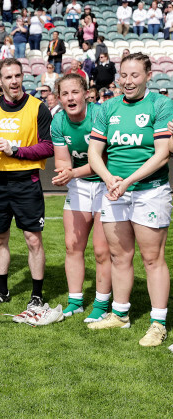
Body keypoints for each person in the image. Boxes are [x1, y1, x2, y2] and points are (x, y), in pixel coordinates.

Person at [87, 53, 173, 347]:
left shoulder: (161, 104)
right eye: (123, 75)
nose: (127, 81)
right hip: (114, 191)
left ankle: (158, 323)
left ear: (149, 75)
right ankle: (120, 314)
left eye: (134, 75)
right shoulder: (106, 107)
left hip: (149, 191)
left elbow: (162, 153)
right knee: (118, 256)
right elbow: (94, 154)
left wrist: (128, 181)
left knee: (152, 258)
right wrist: (110, 179)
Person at [0, 58, 54, 313]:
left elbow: (48, 146)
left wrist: (16, 150)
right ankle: (2, 291)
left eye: (18, 76)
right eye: (8, 77)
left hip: (26, 181)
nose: (15, 81)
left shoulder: (38, 108)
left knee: (32, 239)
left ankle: (37, 295)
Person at [50, 73, 112, 322]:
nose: (70, 98)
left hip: (108, 184)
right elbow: (62, 160)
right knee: (72, 246)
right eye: (64, 94)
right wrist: (66, 173)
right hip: (80, 184)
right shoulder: (58, 121)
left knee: (101, 250)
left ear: (86, 93)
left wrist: (72, 172)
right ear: (59, 98)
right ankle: (75, 301)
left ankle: (101, 303)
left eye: (75, 92)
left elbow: (104, 160)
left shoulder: (100, 115)